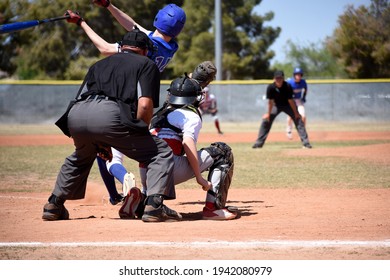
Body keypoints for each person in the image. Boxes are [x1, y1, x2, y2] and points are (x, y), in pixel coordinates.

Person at [42, 28, 181, 223]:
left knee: (81, 157)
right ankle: (154, 206)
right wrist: (140, 132)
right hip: (110, 114)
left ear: (123, 48)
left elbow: (89, 103)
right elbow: (144, 104)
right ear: (144, 51)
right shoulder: (146, 64)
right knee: (160, 152)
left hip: (77, 114)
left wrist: (103, 141)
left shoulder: (98, 64)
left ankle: (54, 204)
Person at [64, 3, 186, 206]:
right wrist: (109, 5)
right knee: (139, 151)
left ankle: (123, 183)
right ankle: (122, 196)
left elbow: (104, 48)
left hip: (122, 103)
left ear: (158, 18)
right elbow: (133, 26)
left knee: (105, 153)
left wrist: (81, 23)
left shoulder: (148, 45)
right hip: (142, 103)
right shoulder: (170, 46)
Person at [131, 75, 237, 220]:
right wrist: (200, 178)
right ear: (195, 97)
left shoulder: (159, 115)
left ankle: (142, 200)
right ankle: (213, 208)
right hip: (169, 168)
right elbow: (188, 143)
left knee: (160, 153)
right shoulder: (190, 115)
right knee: (223, 152)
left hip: (145, 171)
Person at [252, 70, 312, 149]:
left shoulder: (287, 86)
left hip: (288, 105)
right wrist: (268, 114)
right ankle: (258, 143)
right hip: (276, 106)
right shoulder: (271, 87)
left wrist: (296, 113)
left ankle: (306, 143)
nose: (278, 80)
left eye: (280, 78)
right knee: (266, 120)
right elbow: (270, 102)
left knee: (298, 119)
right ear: (274, 79)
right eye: (277, 78)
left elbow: (291, 101)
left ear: (283, 78)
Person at [286, 67, 308, 140]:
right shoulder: (290, 82)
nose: (298, 76)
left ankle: (302, 132)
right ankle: (289, 130)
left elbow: (305, 89)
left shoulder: (303, 82)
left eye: (299, 74)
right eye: (296, 74)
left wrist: (304, 96)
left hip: (298, 100)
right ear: (294, 75)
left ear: (301, 75)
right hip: (291, 100)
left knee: (303, 116)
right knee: (291, 116)